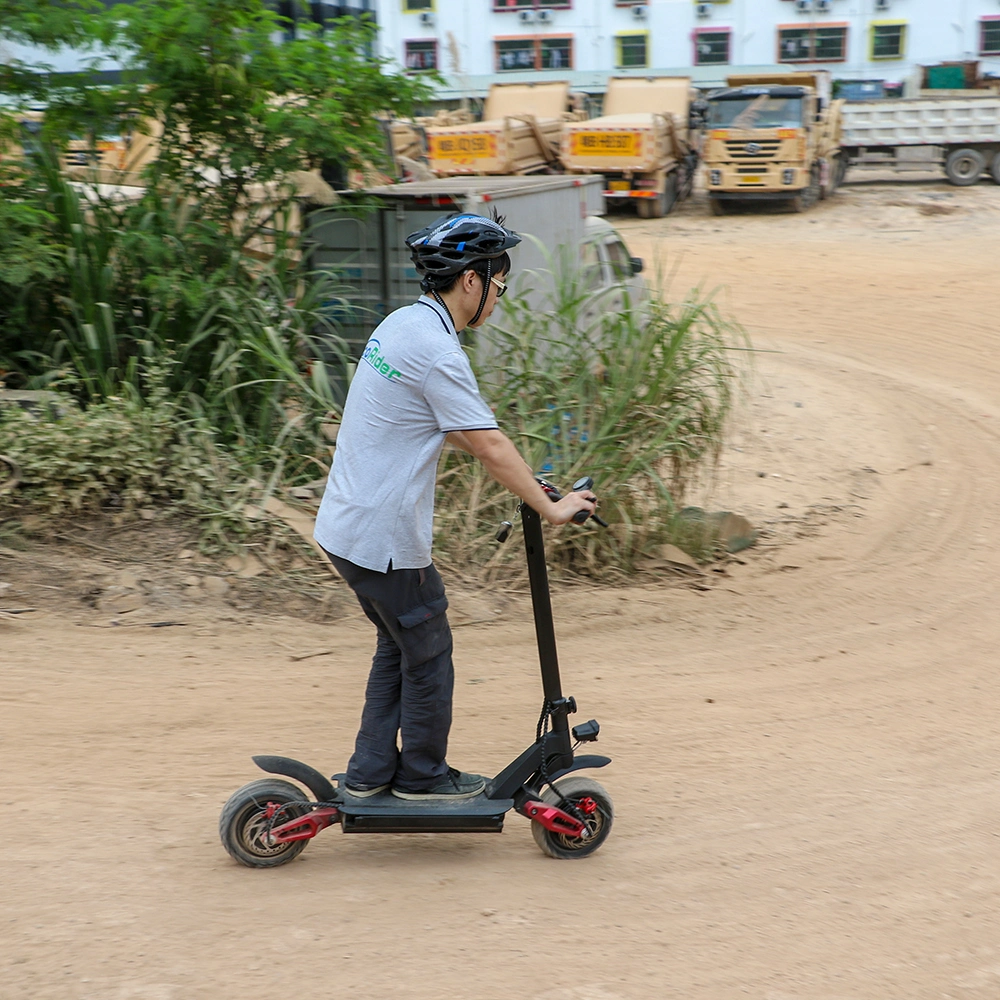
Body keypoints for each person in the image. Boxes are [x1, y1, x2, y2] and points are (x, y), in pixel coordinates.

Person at [313, 212, 597, 801]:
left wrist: (530, 485)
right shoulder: (438, 349)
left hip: (347, 527)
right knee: (429, 641)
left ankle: (368, 775)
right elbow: (488, 443)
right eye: (498, 284)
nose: (497, 297)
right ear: (471, 280)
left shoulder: (403, 325)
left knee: (399, 642)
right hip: (384, 538)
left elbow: (459, 431)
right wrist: (554, 510)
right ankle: (420, 776)